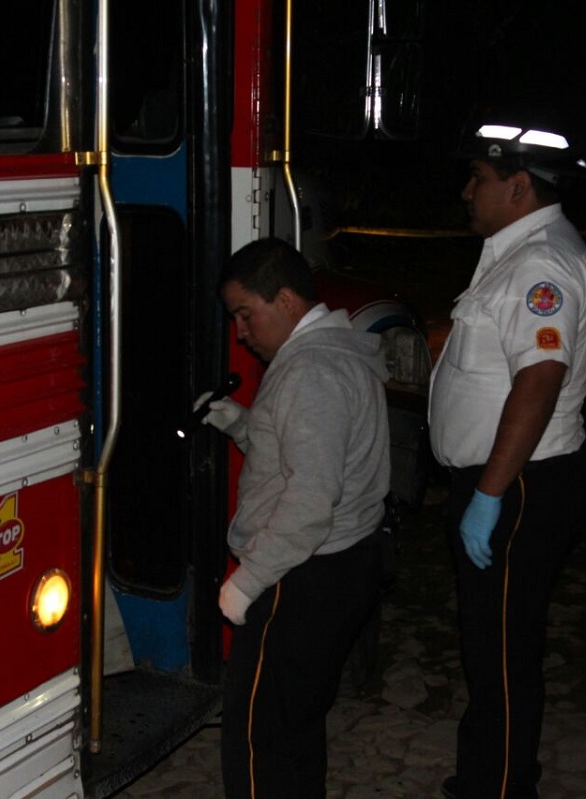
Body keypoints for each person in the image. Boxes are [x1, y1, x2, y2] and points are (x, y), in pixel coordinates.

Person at [428, 109, 586, 799]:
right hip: (503, 478)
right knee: (491, 646)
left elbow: (539, 378)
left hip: (519, 481)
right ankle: (486, 774)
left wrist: (490, 495)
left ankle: (499, 788)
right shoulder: (513, 251)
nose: (468, 191)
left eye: (479, 178)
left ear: (519, 187)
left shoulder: (541, 264)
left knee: (500, 655)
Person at [198, 237, 392, 798]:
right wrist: (242, 423)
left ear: (284, 301)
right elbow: (302, 448)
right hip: (344, 564)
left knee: (258, 737)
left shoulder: (311, 371)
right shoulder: (337, 351)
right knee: (297, 725)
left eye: (244, 314)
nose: (240, 331)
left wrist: (246, 583)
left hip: (302, 577)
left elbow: (309, 501)